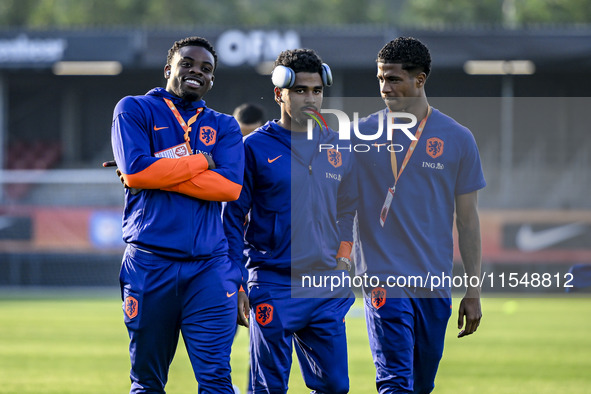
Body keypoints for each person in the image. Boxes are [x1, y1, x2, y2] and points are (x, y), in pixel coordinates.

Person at [110, 36, 244, 393]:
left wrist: (158, 174)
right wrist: (201, 161)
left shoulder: (225, 125)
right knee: (148, 381)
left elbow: (229, 188)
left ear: (212, 80)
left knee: (216, 378)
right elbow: (137, 172)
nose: (196, 72)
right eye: (187, 64)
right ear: (169, 69)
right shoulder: (134, 109)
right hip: (150, 264)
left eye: (206, 69)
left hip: (209, 269)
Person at [352, 37, 486, 393]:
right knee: (395, 381)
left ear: (420, 80)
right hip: (382, 278)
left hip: (433, 284)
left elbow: (468, 221)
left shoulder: (458, 138)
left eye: (393, 79)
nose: (384, 88)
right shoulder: (360, 134)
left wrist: (473, 290)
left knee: (421, 385)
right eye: (380, 78)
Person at [223, 48, 357, 393]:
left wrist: (343, 257)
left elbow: (347, 209)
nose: (310, 98)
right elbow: (233, 217)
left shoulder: (336, 146)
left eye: (316, 90)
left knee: (336, 387)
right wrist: (237, 282)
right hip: (273, 282)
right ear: (279, 93)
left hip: (325, 285)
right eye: (300, 90)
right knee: (268, 388)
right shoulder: (253, 148)